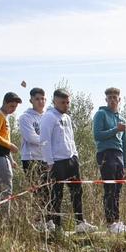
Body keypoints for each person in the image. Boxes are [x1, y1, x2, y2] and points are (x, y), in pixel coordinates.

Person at [40, 89, 97, 233]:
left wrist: (75, 155)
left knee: (77, 191)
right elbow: (44, 141)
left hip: (71, 160)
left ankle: (80, 222)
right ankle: (57, 226)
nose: (65, 105)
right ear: (54, 101)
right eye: (62, 102)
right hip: (57, 162)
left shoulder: (67, 118)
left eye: (67, 102)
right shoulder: (48, 117)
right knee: (57, 194)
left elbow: (71, 139)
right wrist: (49, 162)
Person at [93, 87, 126, 234]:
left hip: (119, 155)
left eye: (114, 97)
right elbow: (97, 135)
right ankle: (110, 223)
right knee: (109, 189)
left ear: (119, 99)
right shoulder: (101, 114)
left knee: (117, 190)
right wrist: (115, 130)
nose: (112, 100)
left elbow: (125, 143)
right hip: (105, 153)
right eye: (109, 97)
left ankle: (117, 221)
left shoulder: (122, 119)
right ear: (106, 99)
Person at [18, 87, 51, 228]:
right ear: (31, 100)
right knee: (37, 191)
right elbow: (31, 137)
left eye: (43, 99)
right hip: (31, 158)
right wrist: (49, 140)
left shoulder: (48, 116)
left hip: (46, 158)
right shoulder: (25, 117)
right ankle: (38, 221)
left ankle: (48, 219)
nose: (40, 101)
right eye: (37, 99)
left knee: (49, 191)